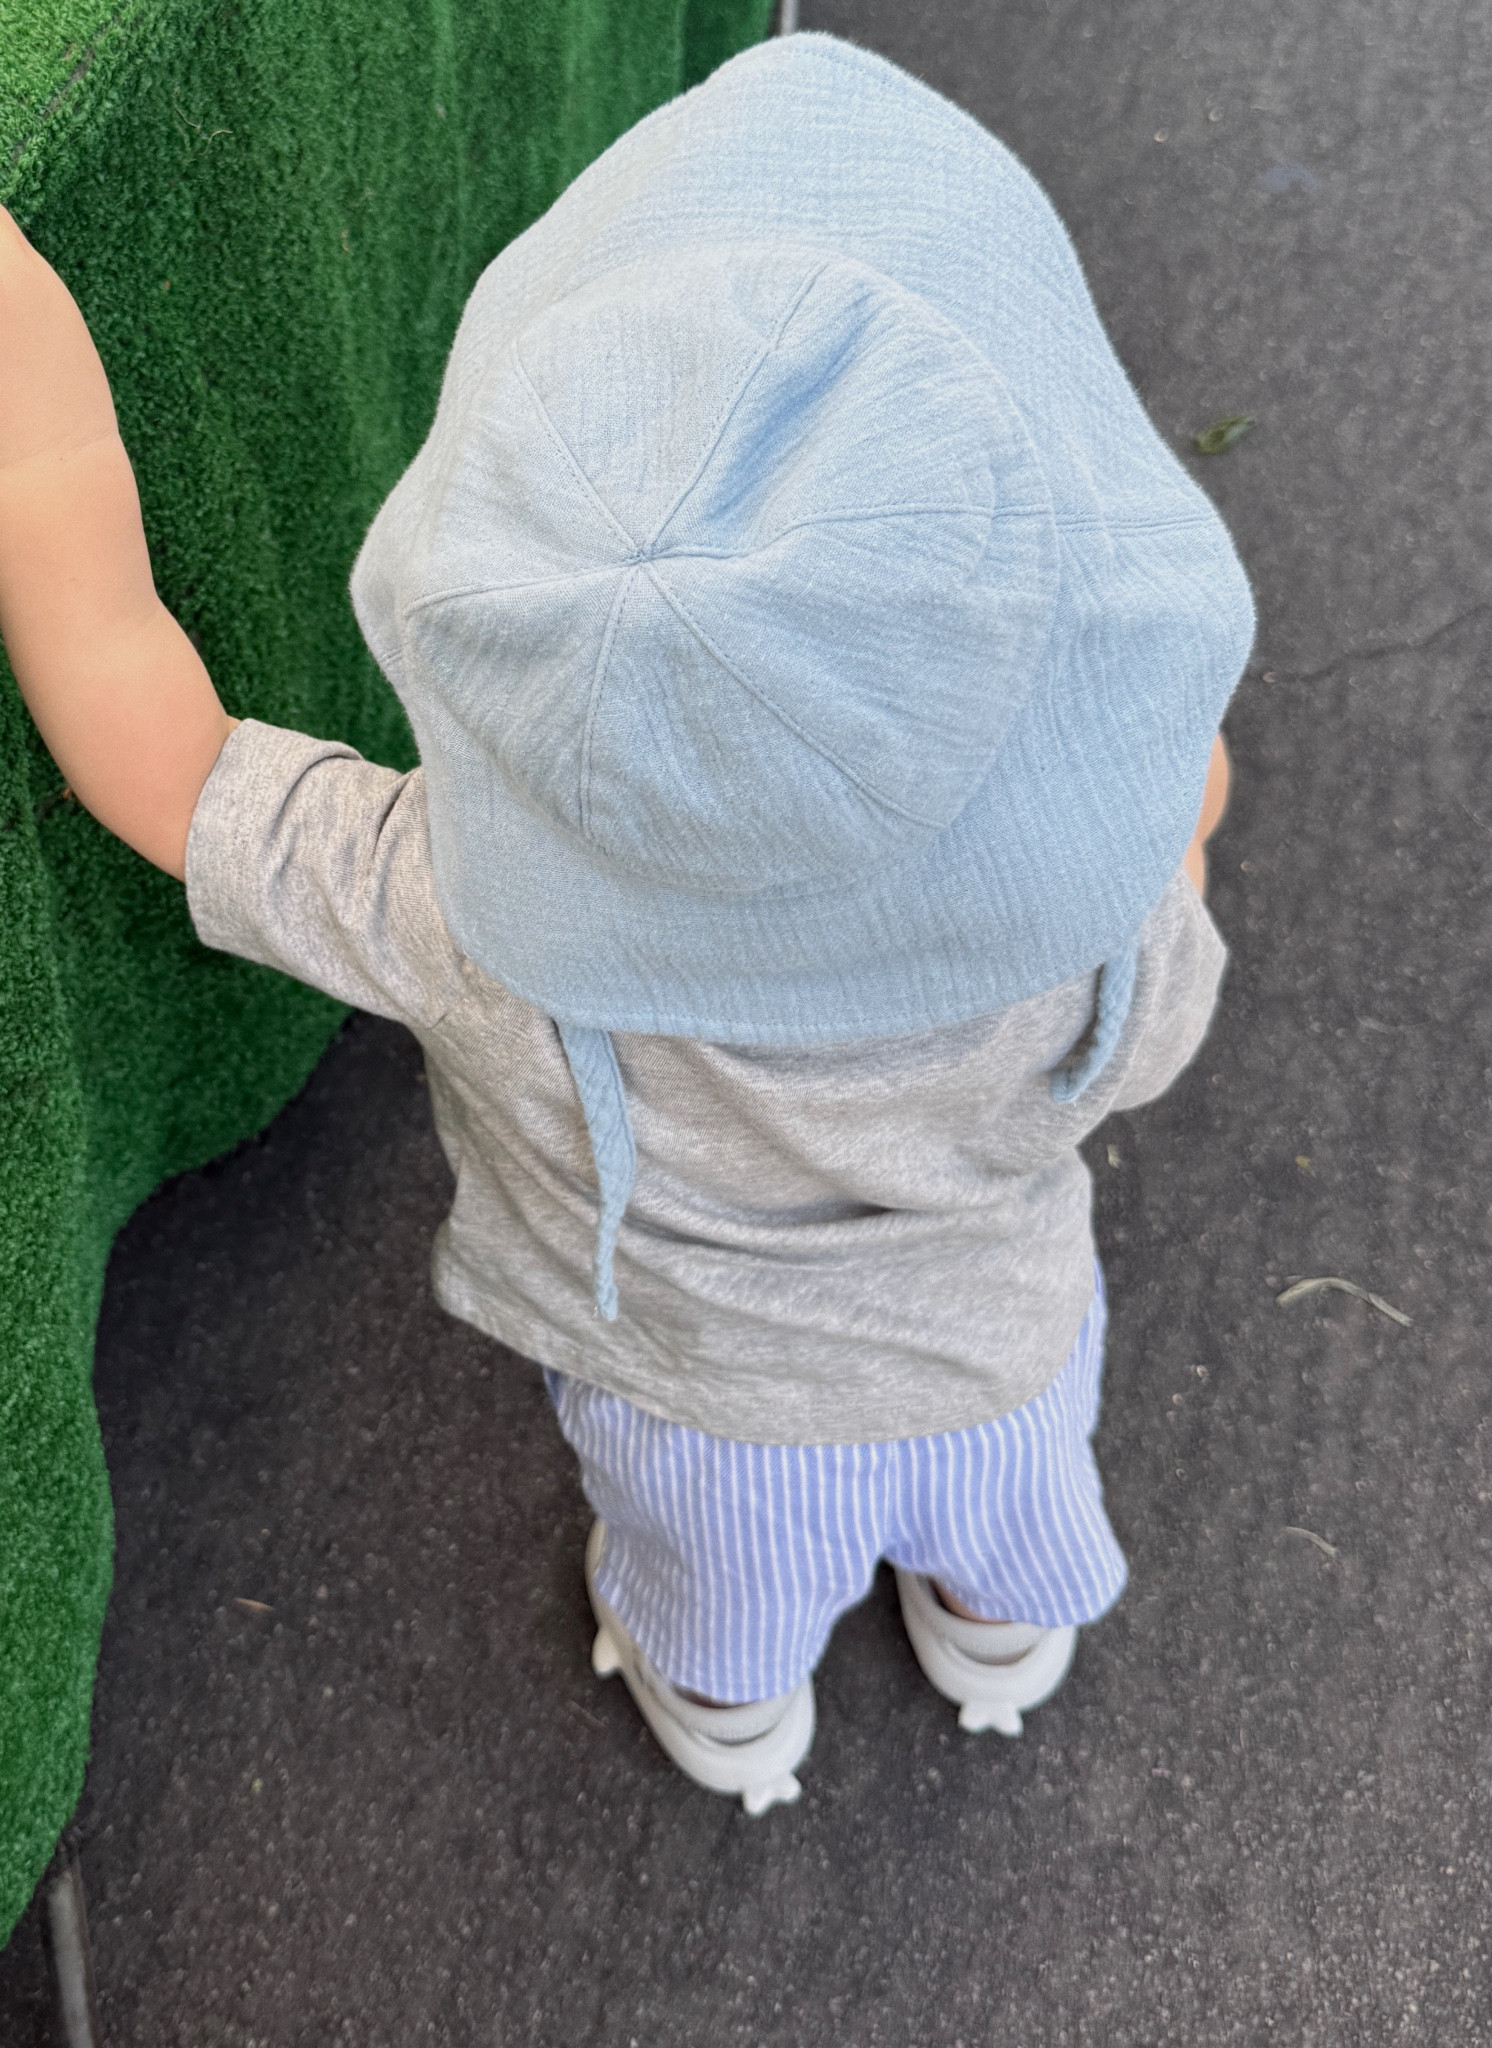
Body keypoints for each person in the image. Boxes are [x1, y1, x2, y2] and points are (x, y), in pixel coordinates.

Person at [0, 35, 1251, 1815]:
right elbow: (1184, 824)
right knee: (1013, 1515)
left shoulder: (455, 906)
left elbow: (167, 759)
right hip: (1000, 1363)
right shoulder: (1095, 934)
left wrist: (40, 453)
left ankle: (733, 1713)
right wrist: (1131, 768)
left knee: (713, 1601)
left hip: (690, 1415)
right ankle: (991, 1625)